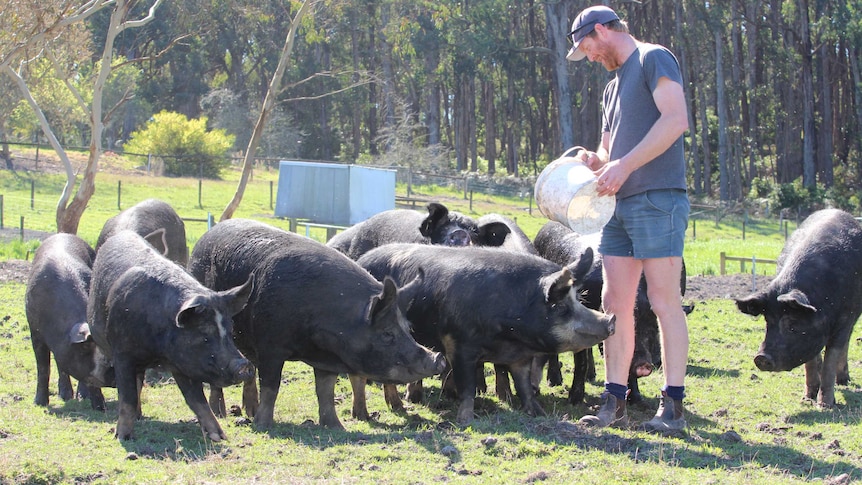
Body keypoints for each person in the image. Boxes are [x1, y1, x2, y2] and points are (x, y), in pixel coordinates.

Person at [565, 5, 691, 432]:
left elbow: (676, 120)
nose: (591, 57)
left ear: (601, 30)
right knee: (612, 303)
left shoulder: (655, 57)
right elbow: (607, 155)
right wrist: (592, 161)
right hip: (616, 206)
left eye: (588, 47)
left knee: (662, 300)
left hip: (658, 199)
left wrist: (626, 165)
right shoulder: (610, 89)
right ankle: (614, 401)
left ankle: (672, 404)